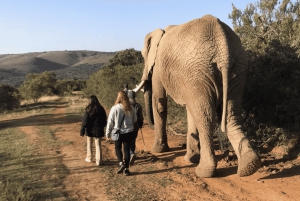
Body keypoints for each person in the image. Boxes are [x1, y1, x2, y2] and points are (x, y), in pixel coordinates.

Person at [105, 91, 137, 176]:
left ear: (118, 98)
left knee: (117, 148)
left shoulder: (114, 108)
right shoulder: (131, 108)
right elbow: (135, 120)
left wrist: (107, 133)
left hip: (118, 132)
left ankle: (120, 163)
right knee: (126, 150)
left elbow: (110, 122)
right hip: (129, 132)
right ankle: (126, 169)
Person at [80, 95, 107, 166]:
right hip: (98, 130)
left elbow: (85, 121)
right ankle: (99, 161)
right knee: (98, 145)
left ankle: (89, 158)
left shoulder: (88, 109)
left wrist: (82, 130)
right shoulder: (101, 108)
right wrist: (102, 126)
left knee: (89, 143)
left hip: (89, 129)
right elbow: (104, 119)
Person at [127, 90, 144, 166]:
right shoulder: (138, 105)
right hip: (135, 126)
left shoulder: (126, 105)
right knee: (133, 140)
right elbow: (141, 117)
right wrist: (140, 125)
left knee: (127, 140)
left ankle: (129, 154)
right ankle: (132, 153)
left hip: (127, 126)